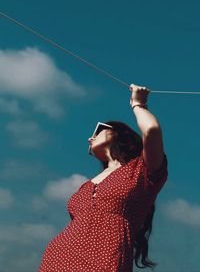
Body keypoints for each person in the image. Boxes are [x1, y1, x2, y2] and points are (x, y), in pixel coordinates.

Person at [38, 83, 168, 272]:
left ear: (118, 134)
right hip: (58, 257)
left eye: (97, 130)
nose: (90, 138)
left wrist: (138, 104)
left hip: (105, 257)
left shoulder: (142, 170)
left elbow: (152, 130)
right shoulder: (85, 186)